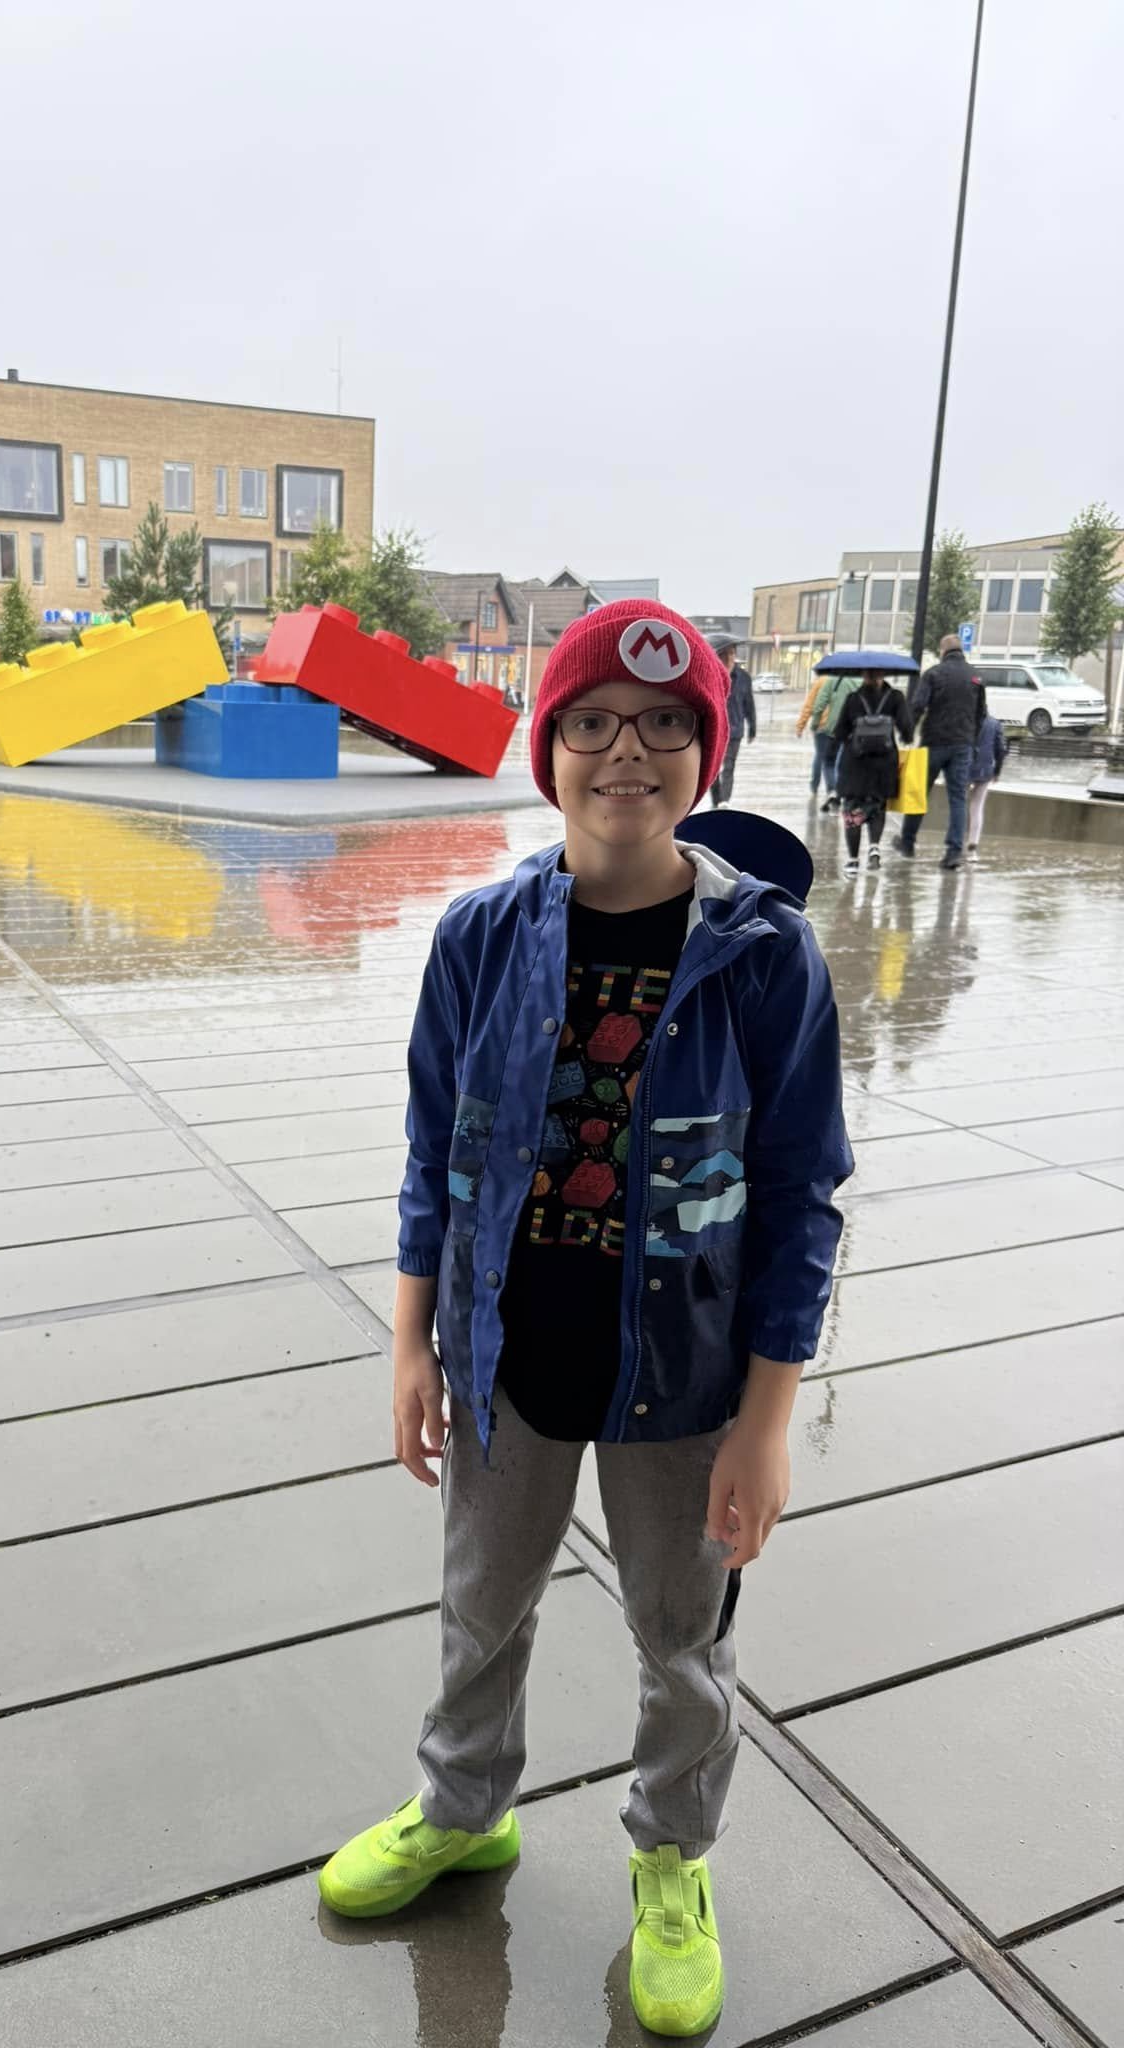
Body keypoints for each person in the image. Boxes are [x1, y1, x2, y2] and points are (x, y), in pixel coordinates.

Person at [316, 600, 852, 2039]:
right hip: (508, 1353)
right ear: (549, 750)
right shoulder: (483, 937)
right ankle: (462, 1807)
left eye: (666, 724)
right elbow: (435, 1149)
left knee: (682, 1637)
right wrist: (412, 1341)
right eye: (594, 722)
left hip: (687, 1376)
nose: (630, 750)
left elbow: (805, 1198)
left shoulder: (766, 958)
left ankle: (673, 1863)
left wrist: (768, 1422)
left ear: (707, 752)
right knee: (480, 1605)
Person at [896, 634, 986, 870]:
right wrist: (972, 740)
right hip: (962, 745)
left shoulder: (934, 674)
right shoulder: (975, 676)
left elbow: (917, 706)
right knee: (958, 799)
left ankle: (907, 842)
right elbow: (981, 714)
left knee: (918, 794)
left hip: (934, 742)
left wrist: (907, 734)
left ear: (943, 651)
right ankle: (954, 851)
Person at [833, 669, 916, 876]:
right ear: (883, 675)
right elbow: (907, 731)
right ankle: (874, 847)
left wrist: (855, 741)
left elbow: (840, 731)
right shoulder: (895, 697)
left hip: (855, 764)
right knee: (878, 806)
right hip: (885, 764)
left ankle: (853, 861)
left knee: (852, 810)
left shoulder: (853, 699)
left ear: (864, 676)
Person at [706, 636, 755, 806]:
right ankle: (716, 799)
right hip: (714, 730)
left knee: (729, 766)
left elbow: (749, 704)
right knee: (713, 768)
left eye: (732, 654)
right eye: (724, 655)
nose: (729, 659)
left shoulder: (744, 678)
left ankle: (724, 801)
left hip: (735, 730)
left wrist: (752, 728)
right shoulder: (709, 675)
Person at [799, 668, 855, 813]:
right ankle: (835, 789)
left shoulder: (826, 681)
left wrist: (807, 724)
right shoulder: (854, 682)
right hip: (847, 729)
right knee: (837, 760)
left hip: (826, 728)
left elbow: (813, 705)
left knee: (822, 758)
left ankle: (818, 786)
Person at [967, 708, 1007, 858]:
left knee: (958, 805)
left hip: (964, 767)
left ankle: (955, 843)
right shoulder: (994, 723)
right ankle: (972, 846)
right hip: (985, 769)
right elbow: (1001, 750)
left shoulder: (965, 720)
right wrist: (997, 772)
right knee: (977, 807)